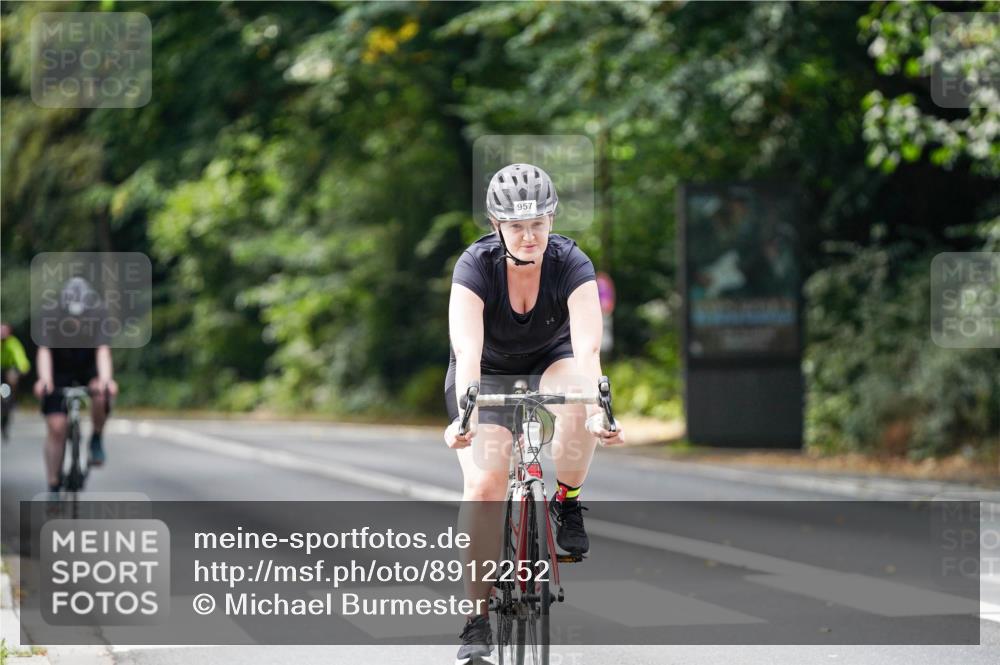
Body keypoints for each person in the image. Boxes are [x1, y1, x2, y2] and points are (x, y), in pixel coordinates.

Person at [443, 163, 625, 664]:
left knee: (581, 400)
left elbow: (588, 353)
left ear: (552, 220)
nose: (528, 236)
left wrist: (598, 412)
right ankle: (477, 620)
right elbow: (468, 351)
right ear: (497, 225)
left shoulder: (572, 262)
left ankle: (567, 498)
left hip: (554, 361)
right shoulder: (474, 267)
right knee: (485, 484)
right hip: (488, 372)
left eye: (538, 224)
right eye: (517, 226)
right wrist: (466, 415)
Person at [32, 277, 118, 492]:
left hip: (87, 366)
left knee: (102, 393)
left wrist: (106, 379)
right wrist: (44, 379)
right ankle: (53, 483)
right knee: (57, 428)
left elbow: (103, 350)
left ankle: (96, 437)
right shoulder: (51, 314)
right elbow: (44, 350)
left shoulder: (98, 313)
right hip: (58, 369)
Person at [1, 322, 32, 440]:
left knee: (6, 397)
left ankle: (8, 404)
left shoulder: (13, 343)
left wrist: (20, 370)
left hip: (7, 371)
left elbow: (21, 360)